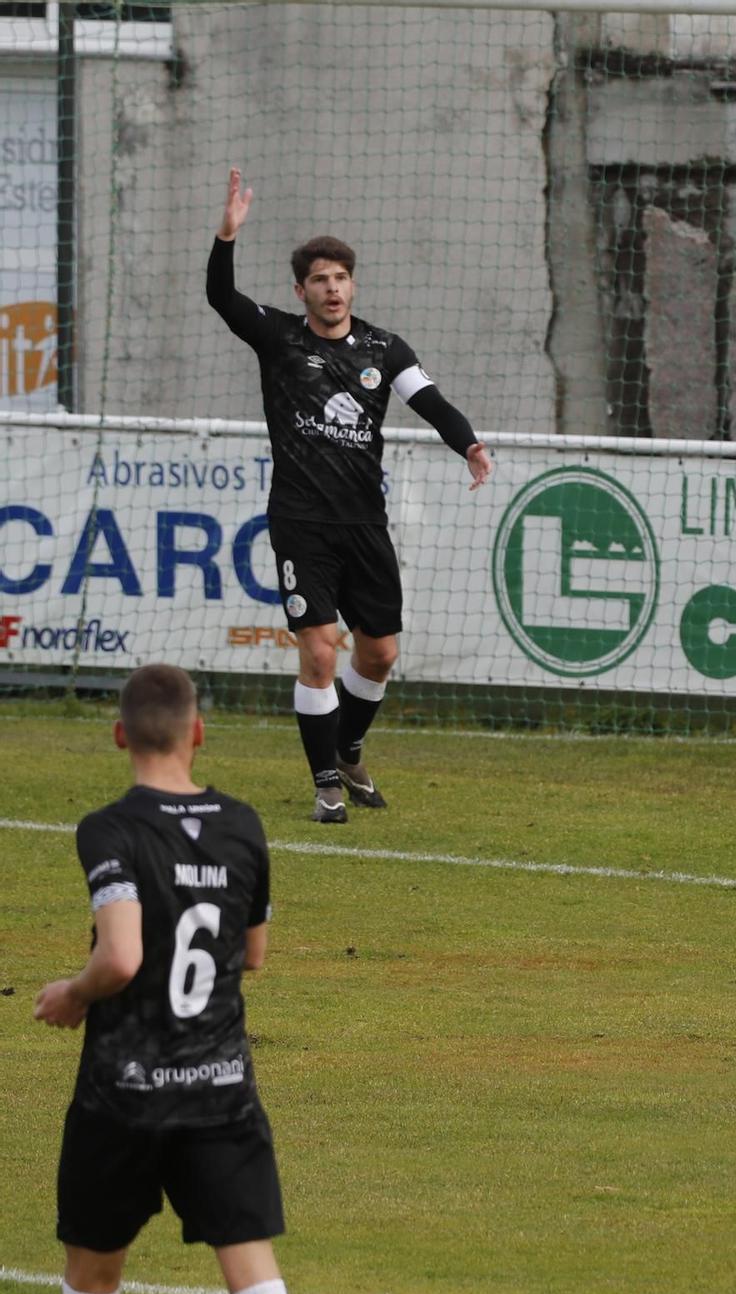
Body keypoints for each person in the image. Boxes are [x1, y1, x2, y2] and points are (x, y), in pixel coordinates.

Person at [207, 166, 494, 823]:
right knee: (318, 650)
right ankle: (327, 782)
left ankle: (351, 746)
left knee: (381, 652)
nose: (331, 289)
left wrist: (469, 444)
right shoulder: (280, 339)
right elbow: (221, 299)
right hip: (301, 522)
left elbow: (432, 402)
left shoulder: (384, 349)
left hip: (365, 522)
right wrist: (226, 237)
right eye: (319, 280)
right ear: (300, 290)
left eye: (340, 278)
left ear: (352, 285)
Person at [33, 664, 295, 1294]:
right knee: (254, 1277)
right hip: (220, 1088)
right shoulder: (242, 824)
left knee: (93, 1274)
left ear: (121, 735)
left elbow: (120, 955)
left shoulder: (108, 829)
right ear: (198, 732)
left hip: (123, 1091)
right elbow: (255, 953)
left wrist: (73, 991)